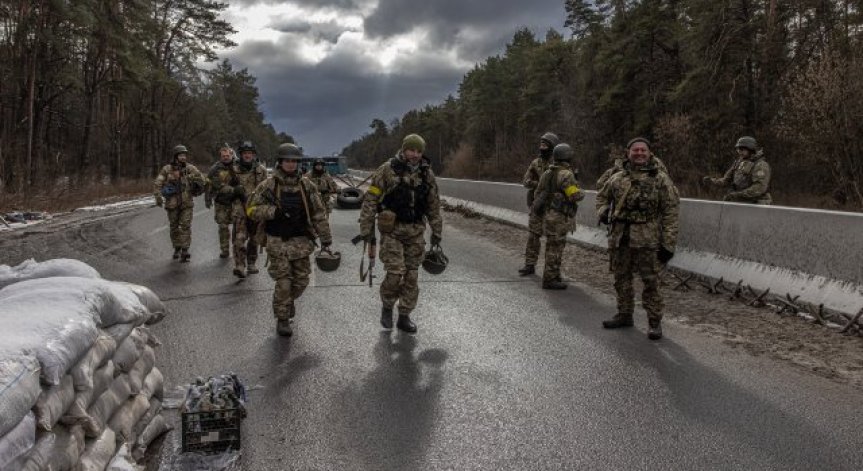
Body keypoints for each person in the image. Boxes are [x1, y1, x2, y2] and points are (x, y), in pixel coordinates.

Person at [596, 138, 680, 340]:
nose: (639, 153)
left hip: (648, 240)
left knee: (652, 282)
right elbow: (601, 196)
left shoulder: (660, 179)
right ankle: (624, 314)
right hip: (620, 238)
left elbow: (671, 212)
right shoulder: (617, 177)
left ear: (649, 153)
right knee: (621, 278)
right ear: (628, 153)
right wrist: (603, 210)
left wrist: (668, 244)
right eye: (636, 150)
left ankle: (654, 322)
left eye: (643, 150)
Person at [358, 134, 443, 334]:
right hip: (392, 232)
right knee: (395, 273)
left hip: (415, 232)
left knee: (412, 276)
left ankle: (404, 316)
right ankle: (387, 307)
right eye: (411, 150)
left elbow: (433, 204)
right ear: (404, 149)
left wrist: (437, 231)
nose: (415, 154)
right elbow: (371, 199)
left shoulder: (426, 173)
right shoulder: (387, 170)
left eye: (419, 151)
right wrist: (366, 228)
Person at [246, 143, 332, 336]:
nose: (291, 164)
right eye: (287, 160)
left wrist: (326, 239)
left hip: (301, 242)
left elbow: (319, 213)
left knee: (301, 281)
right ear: (280, 162)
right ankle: (282, 318)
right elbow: (251, 210)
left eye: (294, 161)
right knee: (284, 283)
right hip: (278, 242)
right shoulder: (268, 186)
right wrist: (273, 211)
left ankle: (288, 301)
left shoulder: (307, 186)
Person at [532, 143, 585, 289]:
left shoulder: (547, 172)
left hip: (549, 214)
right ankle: (550, 279)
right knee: (556, 248)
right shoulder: (566, 174)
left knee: (552, 246)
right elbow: (574, 195)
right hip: (560, 217)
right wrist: (581, 191)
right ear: (567, 156)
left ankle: (554, 274)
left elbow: (537, 193)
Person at [154, 145, 205, 262]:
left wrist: (191, 179)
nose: (183, 157)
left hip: (186, 203)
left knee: (185, 226)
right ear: (176, 156)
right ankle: (177, 247)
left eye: (184, 155)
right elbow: (158, 183)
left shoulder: (190, 168)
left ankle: (185, 250)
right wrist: (158, 196)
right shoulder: (167, 169)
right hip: (172, 204)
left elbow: (201, 178)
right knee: (174, 227)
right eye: (181, 155)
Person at [518, 132, 560, 276]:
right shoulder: (535, 163)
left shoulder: (558, 165)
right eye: (541, 144)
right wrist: (540, 184)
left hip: (553, 208)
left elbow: (564, 183)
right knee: (533, 236)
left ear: (552, 147)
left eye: (545, 145)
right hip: (537, 205)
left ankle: (552, 271)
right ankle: (530, 265)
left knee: (553, 240)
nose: (542, 147)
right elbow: (525, 182)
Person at [230, 140, 268, 278]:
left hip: (255, 209)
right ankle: (240, 265)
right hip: (239, 209)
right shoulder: (233, 170)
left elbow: (267, 189)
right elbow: (222, 189)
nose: (247, 155)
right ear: (241, 154)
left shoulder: (261, 170)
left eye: (250, 153)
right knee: (239, 239)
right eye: (245, 153)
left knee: (254, 238)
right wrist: (234, 191)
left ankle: (251, 262)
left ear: (253, 154)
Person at [703, 136, 772, 204]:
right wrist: (712, 181)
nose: (739, 152)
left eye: (742, 150)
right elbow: (726, 180)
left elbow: (759, 188)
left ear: (751, 150)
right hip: (742, 201)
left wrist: (737, 195)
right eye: (738, 149)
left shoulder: (760, 165)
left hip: (757, 203)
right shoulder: (738, 163)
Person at [205, 146, 238, 258]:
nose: (226, 157)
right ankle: (225, 250)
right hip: (221, 202)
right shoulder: (215, 169)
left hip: (235, 201)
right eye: (223, 156)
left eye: (227, 155)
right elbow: (209, 183)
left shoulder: (238, 166)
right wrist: (207, 198)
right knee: (223, 227)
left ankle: (237, 248)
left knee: (238, 226)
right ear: (220, 157)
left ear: (232, 155)